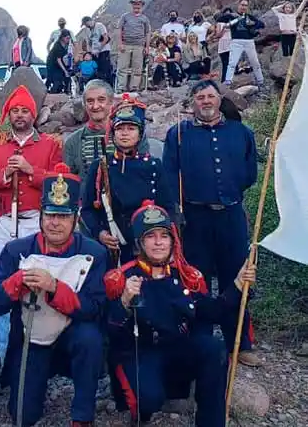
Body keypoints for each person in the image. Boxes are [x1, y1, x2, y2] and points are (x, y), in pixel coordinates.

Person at [104, 201, 257, 427]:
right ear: (139, 243)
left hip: (177, 348)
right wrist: (124, 301)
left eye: (164, 236)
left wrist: (237, 284)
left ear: (172, 240)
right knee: (148, 400)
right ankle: (140, 407)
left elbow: (211, 311)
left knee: (213, 348)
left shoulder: (185, 274)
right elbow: (109, 332)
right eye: (150, 236)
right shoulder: (120, 278)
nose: (158, 243)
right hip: (141, 353)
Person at [0, 163, 108, 427]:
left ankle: (82, 415)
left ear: (76, 218)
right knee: (22, 415)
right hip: (31, 338)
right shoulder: (15, 249)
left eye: (63, 216)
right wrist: (15, 282)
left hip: (74, 336)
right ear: (40, 216)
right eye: (50, 214)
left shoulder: (95, 252)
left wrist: (55, 288)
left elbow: (94, 308)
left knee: (90, 339)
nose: (55, 223)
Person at [162, 80, 260, 367]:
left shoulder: (241, 132)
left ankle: (240, 343)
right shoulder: (178, 133)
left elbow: (249, 174)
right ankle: (201, 340)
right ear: (192, 102)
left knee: (238, 276)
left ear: (219, 100)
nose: (206, 101)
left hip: (231, 215)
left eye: (210, 96)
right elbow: (169, 174)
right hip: (195, 218)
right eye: (200, 96)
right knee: (196, 277)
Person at [81, 95, 174, 265]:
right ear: (113, 133)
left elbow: (168, 207)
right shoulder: (101, 166)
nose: (125, 133)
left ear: (140, 133)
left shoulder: (154, 165)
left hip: (148, 247)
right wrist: (100, 233)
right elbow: (87, 209)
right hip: (112, 245)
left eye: (131, 128)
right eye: (120, 128)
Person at [0, 85, 63, 272]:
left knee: (36, 276)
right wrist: (5, 174)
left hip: (36, 221)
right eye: (15, 111)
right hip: (4, 221)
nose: (19, 115)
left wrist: (30, 170)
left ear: (33, 116)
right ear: (9, 115)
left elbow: (59, 183)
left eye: (25, 111)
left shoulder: (50, 144)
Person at [63, 80, 150, 178]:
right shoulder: (73, 142)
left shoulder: (134, 136)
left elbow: (144, 173)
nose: (95, 106)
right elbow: (68, 181)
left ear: (111, 102)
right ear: (84, 105)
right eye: (90, 101)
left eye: (101, 100)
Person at [221, 0, 265, 86]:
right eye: (242, 5)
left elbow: (262, 24)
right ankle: (228, 81)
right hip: (236, 42)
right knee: (232, 62)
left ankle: (260, 80)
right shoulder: (232, 16)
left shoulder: (249, 16)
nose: (243, 7)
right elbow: (219, 18)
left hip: (249, 41)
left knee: (255, 62)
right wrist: (231, 17)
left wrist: (253, 25)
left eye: (245, 5)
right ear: (238, 5)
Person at [117, 0, 151, 92]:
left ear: (141, 5)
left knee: (137, 67)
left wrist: (147, 47)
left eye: (138, 4)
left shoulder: (145, 19)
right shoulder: (125, 16)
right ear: (132, 5)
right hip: (126, 44)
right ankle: (121, 87)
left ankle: (134, 87)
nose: (136, 5)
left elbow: (147, 33)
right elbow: (119, 29)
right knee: (123, 66)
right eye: (134, 4)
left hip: (139, 45)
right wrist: (120, 43)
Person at [82, 17, 112, 81]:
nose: (86, 26)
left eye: (86, 24)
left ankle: (108, 86)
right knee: (98, 70)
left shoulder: (99, 26)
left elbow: (106, 38)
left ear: (89, 21)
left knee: (105, 69)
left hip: (103, 50)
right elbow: (90, 43)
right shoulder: (89, 30)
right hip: (94, 52)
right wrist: (90, 52)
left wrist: (99, 49)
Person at [47, 29, 72, 94]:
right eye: (67, 38)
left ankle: (64, 92)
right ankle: (51, 94)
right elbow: (59, 60)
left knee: (64, 77)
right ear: (62, 37)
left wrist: (67, 67)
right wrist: (65, 70)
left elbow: (63, 57)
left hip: (59, 62)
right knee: (56, 79)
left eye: (69, 38)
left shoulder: (66, 44)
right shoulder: (57, 46)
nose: (68, 40)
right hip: (52, 63)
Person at [214, 7, 233, 82]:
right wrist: (223, 29)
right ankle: (224, 80)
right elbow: (218, 35)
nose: (228, 14)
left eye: (229, 13)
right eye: (226, 13)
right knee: (225, 63)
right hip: (223, 45)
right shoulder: (220, 23)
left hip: (232, 44)